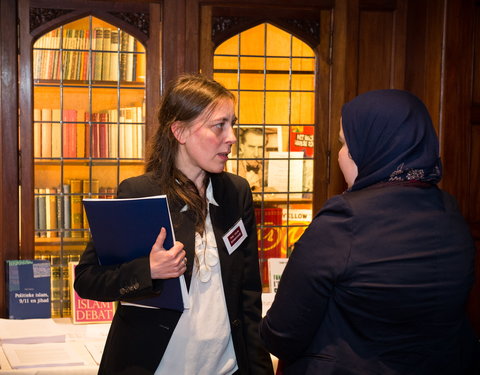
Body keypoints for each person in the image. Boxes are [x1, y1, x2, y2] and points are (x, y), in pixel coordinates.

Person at [259, 89, 480, 374]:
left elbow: (282, 334)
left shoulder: (344, 219)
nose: (339, 155)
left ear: (371, 147)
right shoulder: (450, 211)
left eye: (344, 143)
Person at [74, 74, 274, 375]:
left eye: (232, 124)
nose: (232, 137)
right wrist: (148, 270)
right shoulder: (139, 193)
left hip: (226, 367)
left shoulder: (237, 193)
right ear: (180, 131)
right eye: (219, 125)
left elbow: (248, 297)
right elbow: (88, 280)